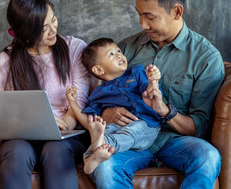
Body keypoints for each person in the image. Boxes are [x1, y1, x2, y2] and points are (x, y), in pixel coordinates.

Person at [92, 0, 225, 189]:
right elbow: (103, 95)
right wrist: (107, 113)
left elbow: (199, 126)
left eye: (149, 17)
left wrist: (165, 110)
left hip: (175, 141)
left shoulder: (206, 58)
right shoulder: (126, 48)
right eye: (139, 14)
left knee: (208, 156)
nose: (142, 24)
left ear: (177, 12)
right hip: (130, 140)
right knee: (104, 167)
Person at [0, 0, 91, 189]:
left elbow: (79, 99)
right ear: (25, 34)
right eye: (43, 28)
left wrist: (64, 127)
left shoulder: (75, 49)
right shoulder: (5, 60)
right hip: (17, 137)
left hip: (65, 135)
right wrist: (34, 123)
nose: (53, 30)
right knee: (18, 151)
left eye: (53, 20)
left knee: (56, 148)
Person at [66, 37, 165, 175]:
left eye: (118, 51)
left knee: (131, 132)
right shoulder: (98, 94)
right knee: (104, 131)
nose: (119, 54)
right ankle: (90, 159)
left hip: (146, 124)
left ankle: (102, 146)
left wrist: (153, 81)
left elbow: (150, 95)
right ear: (99, 70)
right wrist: (73, 103)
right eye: (111, 54)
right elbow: (90, 122)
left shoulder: (136, 72)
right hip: (116, 128)